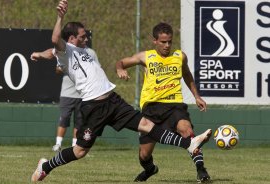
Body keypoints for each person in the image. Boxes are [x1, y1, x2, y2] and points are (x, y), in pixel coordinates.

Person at [31, 0, 212, 182]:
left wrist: (40, 54)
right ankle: (46, 166)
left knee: (147, 126)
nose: (86, 39)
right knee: (80, 151)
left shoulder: (82, 50)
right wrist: (60, 17)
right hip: (94, 107)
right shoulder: (66, 51)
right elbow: (55, 42)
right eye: (82, 36)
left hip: (113, 100)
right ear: (71, 39)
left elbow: (52, 51)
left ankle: (189, 144)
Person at [116, 22, 211, 182]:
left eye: (170, 42)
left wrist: (196, 96)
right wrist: (120, 69)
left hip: (174, 105)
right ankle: (150, 169)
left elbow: (187, 75)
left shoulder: (180, 57)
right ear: (155, 41)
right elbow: (122, 62)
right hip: (151, 108)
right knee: (144, 155)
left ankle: (201, 170)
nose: (167, 45)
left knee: (187, 132)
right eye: (163, 42)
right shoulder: (146, 57)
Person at [31, 48, 91, 151]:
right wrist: (68, 67)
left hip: (82, 94)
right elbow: (58, 69)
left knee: (79, 122)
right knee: (64, 118)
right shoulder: (67, 54)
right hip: (67, 94)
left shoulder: (88, 55)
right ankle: (58, 144)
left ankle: (74, 146)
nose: (84, 40)